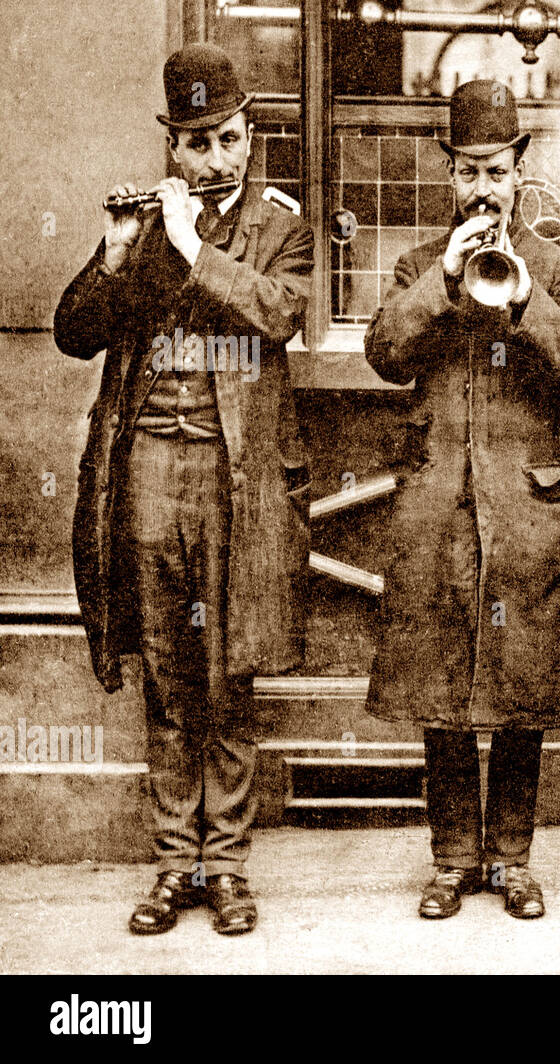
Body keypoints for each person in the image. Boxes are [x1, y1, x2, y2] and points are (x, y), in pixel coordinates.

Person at [54, 44, 314, 936]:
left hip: (235, 481)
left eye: (229, 140)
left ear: (251, 137)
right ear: (173, 145)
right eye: (196, 144)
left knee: (227, 672)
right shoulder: (143, 229)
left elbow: (279, 314)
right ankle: (174, 865)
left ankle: (229, 865)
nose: (214, 161)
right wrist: (121, 253)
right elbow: (73, 334)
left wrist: (192, 246)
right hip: (147, 476)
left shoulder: (281, 227)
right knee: (166, 676)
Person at [363, 79, 560, 920]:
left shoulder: (558, 269)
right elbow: (386, 353)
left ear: (519, 170)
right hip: (436, 506)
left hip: (526, 509)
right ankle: (451, 858)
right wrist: (445, 275)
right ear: (449, 169)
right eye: (468, 171)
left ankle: (512, 859)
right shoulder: (413, 266)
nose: (482, 189)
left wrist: (527, 296)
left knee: (521, 686)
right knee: (441, 684)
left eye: (496, 171)